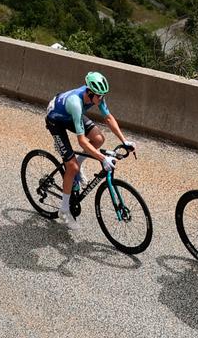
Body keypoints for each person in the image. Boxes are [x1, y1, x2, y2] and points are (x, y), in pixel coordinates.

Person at [45, 71, 134, 226]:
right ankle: (64, 210)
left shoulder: (96, 96)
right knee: (71, 167)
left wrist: (124, 140)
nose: (101, 99)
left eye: (103, 96)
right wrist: (102, 158)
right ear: (89, 92)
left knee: (99, 138)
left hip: (71, 116)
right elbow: (82, 142)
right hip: (56, 120)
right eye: (98, 96)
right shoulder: (76, 102)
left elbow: (108, 117)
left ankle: (78, 164)